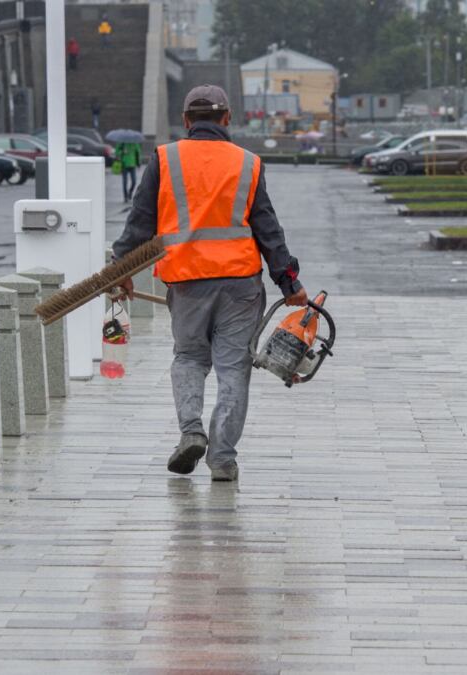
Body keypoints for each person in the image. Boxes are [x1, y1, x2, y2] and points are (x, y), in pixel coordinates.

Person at [112, 84, 307, 482]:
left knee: (189, 358)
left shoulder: (165, 159)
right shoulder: (248, 163)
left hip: (186, 283)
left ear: (186, 121)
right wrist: (290, 284)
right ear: (227, 119)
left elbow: (140, 221)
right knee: (233, 369)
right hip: (240, 285)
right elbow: (268, 229)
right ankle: (222, 459)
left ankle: (191, 431)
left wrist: (120, 271)